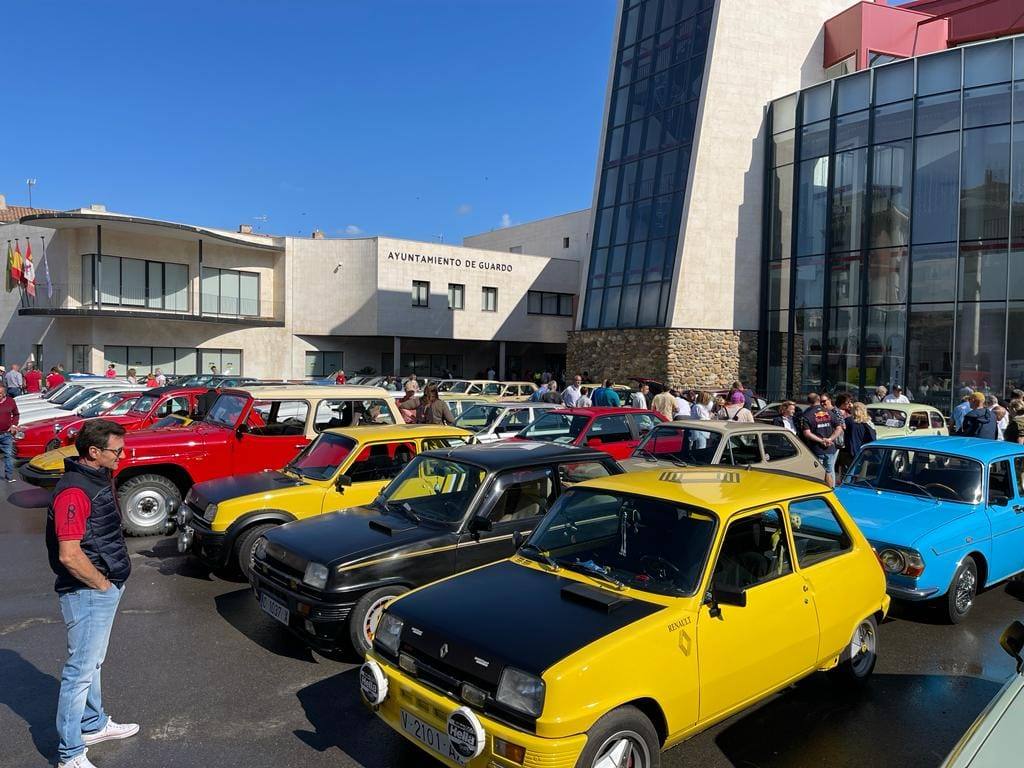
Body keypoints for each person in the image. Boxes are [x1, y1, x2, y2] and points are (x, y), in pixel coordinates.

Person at [47, 420, 139, 768]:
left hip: (101, 586)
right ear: (94, 452)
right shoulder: (75, 491)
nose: (123, 455)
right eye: (117, 450)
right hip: (87, 592)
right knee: (80, 671)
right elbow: (69, 554)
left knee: (92, 663)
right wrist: (102, 585)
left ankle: (93, 724)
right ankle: (70, 754)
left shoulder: (96, 479)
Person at [800, 393, 844, 487]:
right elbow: (839, 428)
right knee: (830, 470)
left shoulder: (807, 414)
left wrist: (821, 441)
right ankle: (832, 490)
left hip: (816, 449)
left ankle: (820, 491)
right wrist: (830, 439)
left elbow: (807, 433)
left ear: (808, 402)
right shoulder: (829, 412)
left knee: (818, 472)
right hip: (830, 447)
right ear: (819, 400)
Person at [839, 402, 876, 480]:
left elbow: (841, 435)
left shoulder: (848, 421)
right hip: (863, 451)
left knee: (847, 475)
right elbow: (873, 437)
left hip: (849, 451)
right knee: (861, 475)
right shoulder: (868, 422)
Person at [0, 384, 19, 482]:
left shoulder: (10, 401)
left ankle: (9, 476)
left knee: (8, 455)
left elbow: (16, 414)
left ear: (4, 393)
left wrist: (14, 425)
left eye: (0, 393)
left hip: (6, 434)